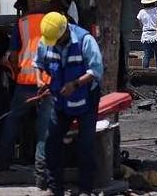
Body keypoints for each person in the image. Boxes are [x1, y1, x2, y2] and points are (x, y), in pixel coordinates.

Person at [36, 12, 103, 196]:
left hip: (86, 99)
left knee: (86, 144)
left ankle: (85, 189)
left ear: (65, 31)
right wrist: (40, 81)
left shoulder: (85, 40)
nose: (54, 43)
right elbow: (39, 63)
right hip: (60, 100)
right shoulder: (46, 41)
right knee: (51, 142)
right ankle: (54, 188)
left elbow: (96, 70)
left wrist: (75, 84)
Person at [0, 0, 54, 187]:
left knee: (12, 122)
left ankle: (2, 164)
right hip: (48, 83)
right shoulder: (56, 22)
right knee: (45, 127)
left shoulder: (22, 23)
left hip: (24, 83)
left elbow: (13, 55)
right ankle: (42, 170)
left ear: (32, 1)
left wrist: (16, 72)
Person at [137, 0, 157, 68]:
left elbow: (140, 23)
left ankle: (144, 71)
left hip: (146, 35)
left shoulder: (141, 12)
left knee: (146, 55)